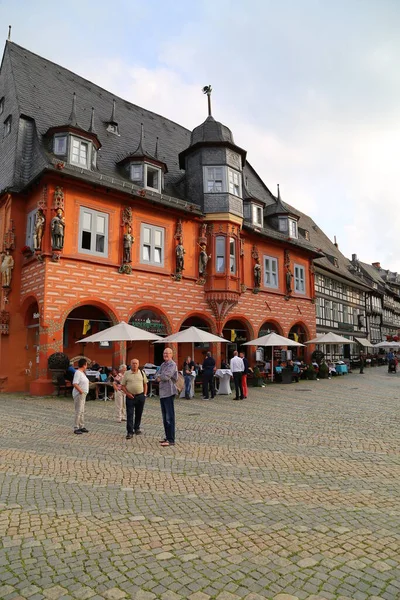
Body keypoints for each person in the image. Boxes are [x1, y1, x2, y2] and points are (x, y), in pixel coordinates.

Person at [156, 347, 178, 446]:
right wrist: (159, 376)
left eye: (167, 353)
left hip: (169, 392)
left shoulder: (172, 364)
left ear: (171, 354)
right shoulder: (163, 364)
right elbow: (156, 375)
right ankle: (167, 436)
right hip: (162, 393)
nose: (165, 355)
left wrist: (160, 376)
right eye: (164, 353)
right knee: (165, 417)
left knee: (170, 417)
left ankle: (171, 439)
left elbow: (166, 376)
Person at [121, 359, 147, 439]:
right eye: (133, 363)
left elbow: (145, 384)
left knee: (139, 413)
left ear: (138, 364)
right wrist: (127, 394)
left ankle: (137, 428)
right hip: (130, 397)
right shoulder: (126, 373)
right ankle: (130, 432)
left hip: (140, 396)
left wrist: (145, 394)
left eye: (136, 363)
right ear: (130, 364)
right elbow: (123, 386)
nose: (134, 365)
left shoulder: (142, 373)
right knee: (130, 414)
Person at [72, 358, 89, 435]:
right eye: (86, 364)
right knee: (78, 411)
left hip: (83, 394)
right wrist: (81, 391)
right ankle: (76, 427)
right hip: (79, 394)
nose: (87, 366)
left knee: (82, 411)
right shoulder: (78, 373)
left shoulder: (82, 373)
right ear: (84, 365)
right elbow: (75, 383)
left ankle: (81, 425)